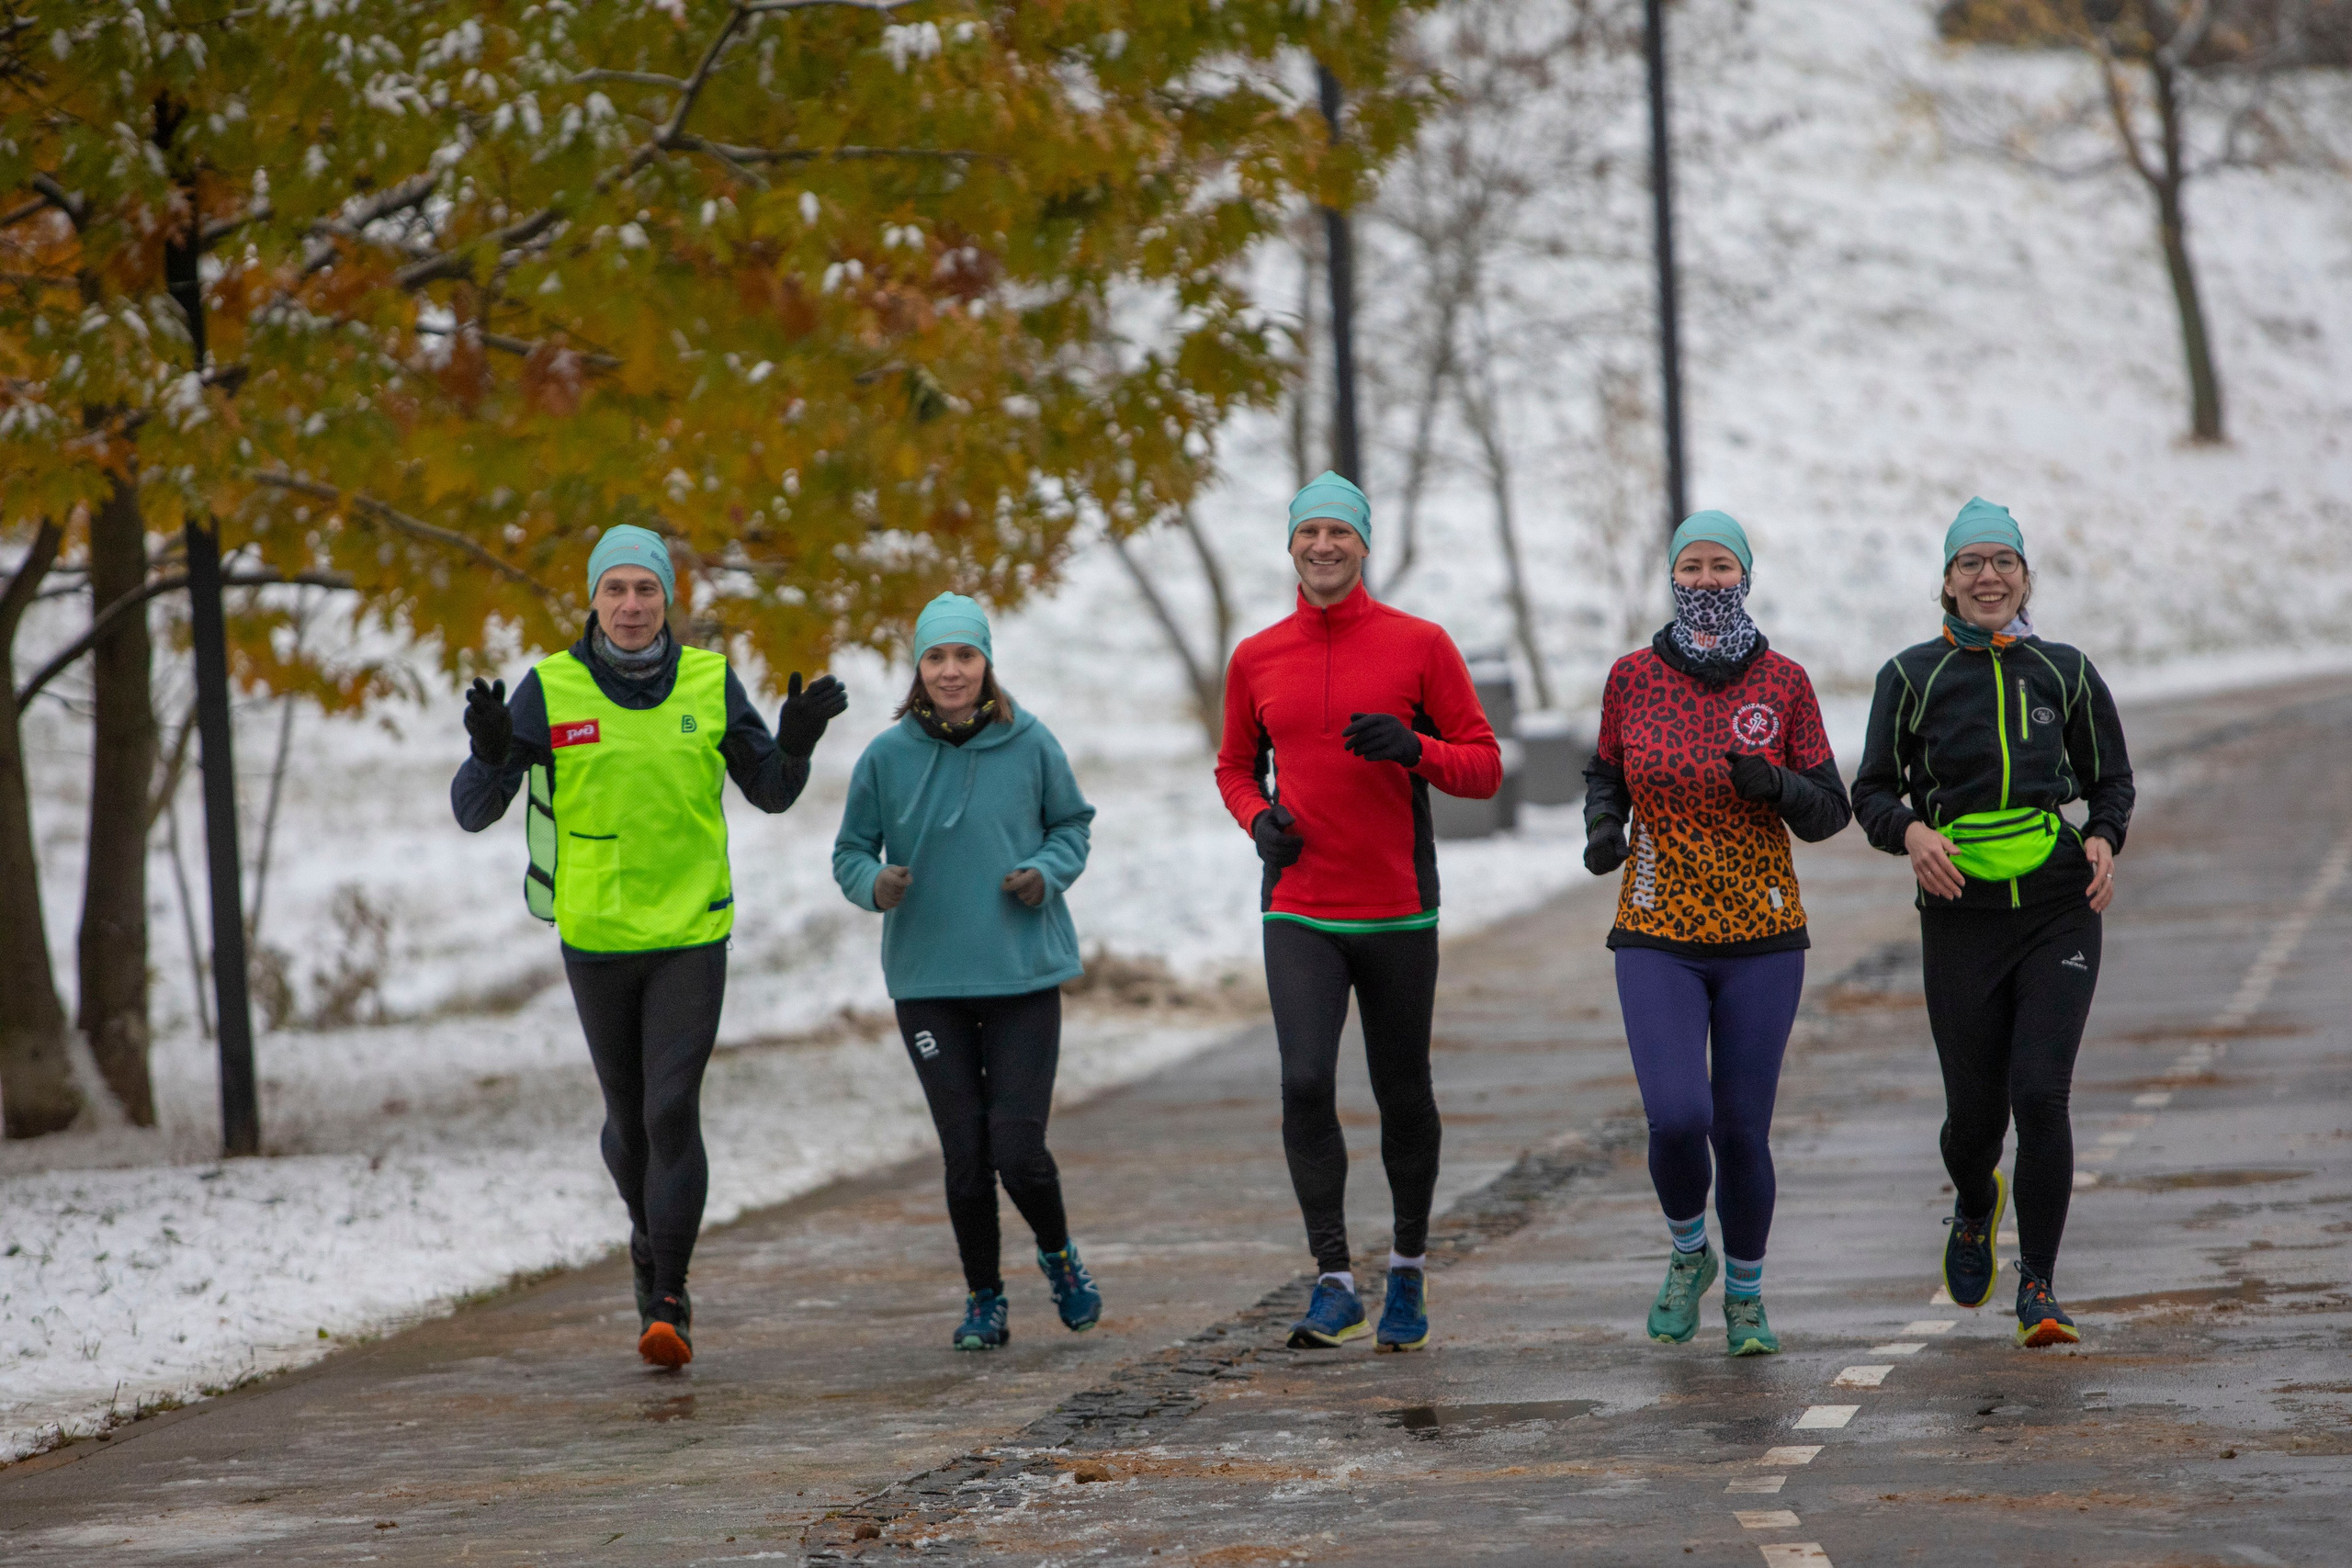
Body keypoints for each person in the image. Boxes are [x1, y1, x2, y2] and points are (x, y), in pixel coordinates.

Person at [452, 524, 847, 1369]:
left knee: (672, 1109)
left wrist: (799, 740)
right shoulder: (551, 688)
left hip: (691, 930)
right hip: (595, 934)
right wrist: (491, 751)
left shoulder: (708, 679)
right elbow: (472, 809)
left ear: (670, 600)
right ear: (593, 599)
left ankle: (668, 1294)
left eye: (647, 590)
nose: (632, 606)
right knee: (628, 1127)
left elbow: (771, 790)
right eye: (616, 589)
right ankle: (647, 1239)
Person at [1214, 472, 1502, 1353]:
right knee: (1304, 1080)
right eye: (1310, 534)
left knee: (1400, 1086)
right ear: (1291, 545)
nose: (1324, 547)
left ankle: (1407, 1270)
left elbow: (1485, 765)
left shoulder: (1421, 645)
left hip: (1397, 908)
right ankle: (1334, 1278)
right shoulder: (1256, 657)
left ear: (1363, 545)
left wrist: (1414, 748)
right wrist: (1259, 819)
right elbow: (1232, 765)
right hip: (1299, 904)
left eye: (1340, 532)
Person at [1852, 498, 2133, 1348]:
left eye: (2002, 563)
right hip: (1961, 916)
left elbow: (2111, 779)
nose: (1988, 577)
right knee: (1975, 1122)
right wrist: (1911, 832)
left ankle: (2039, 1288)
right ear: (1946, 581)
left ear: (2024, 577)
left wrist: (2102, 837)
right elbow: (1869, 790)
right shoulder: (1910, 677)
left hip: (2058, 910)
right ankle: (1977, 1200)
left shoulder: (2068, 672)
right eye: (1970, 563)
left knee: (2040, 1093)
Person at [1582, 512, 1851, 1357]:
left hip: (1762, 932)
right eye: (1691, 567)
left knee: (1739, 1129)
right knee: (1674, 1115)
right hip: (1656, 922)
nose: (1705, 581)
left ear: (1746, 576)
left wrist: (1775, 782)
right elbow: (1605, 768)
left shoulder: (1785, 682)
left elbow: (1830, 810)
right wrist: (1602, 823)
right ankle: (1688, 1252)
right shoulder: (1631, 676)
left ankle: (1745, 1298)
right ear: (1672, 577)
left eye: (1721, 566)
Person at [833, 592, 1102, 1352]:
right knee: (964, 1155)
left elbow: (1072, 824)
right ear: (918, 669)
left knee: (1016, 1146)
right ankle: (985, 1298)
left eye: (965, 656)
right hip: (928, 985)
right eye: (936, 657)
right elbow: (850, 850)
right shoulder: (885, 757)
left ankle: (1060, 1258)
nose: (952, 671)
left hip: (1022, 974)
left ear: (987, 664)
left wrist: (1045, 872)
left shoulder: (1031, 741)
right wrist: (872, 884)